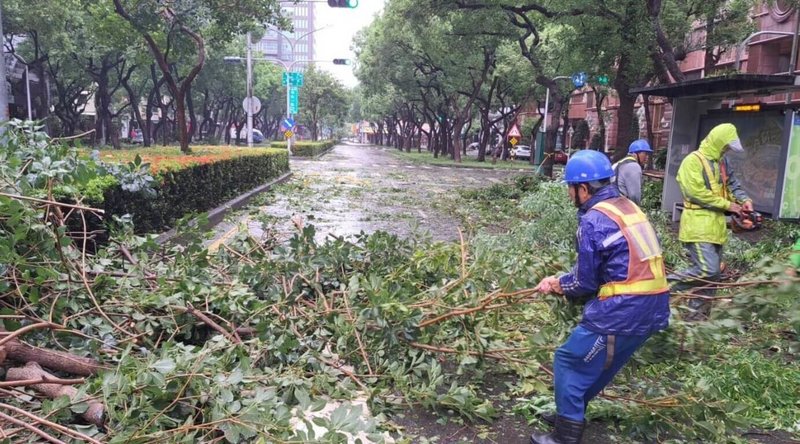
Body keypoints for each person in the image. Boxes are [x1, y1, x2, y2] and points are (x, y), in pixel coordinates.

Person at [530, 150, 671, 444]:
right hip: (654, 305)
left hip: (621, 309)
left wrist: (556, 283)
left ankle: (565, 437)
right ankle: (570, 413)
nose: (570, 195)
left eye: (571, 189)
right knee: (599, 366)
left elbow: (584, 281)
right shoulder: (627, 207)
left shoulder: (593, 220)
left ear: (583, 189)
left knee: (568, 361)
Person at [667, 123, 752, 320]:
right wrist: (730, 206)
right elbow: (696, 193)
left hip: (717, 229)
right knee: (708, 269)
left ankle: (695, 322)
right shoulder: (692, 162)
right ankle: (664, 286)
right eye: (726, 147)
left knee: (711, 279)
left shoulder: (722, 163)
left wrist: (744, 201)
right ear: (718, 143)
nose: (726, 151)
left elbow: (732, 184)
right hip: (697, 226)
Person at [612, 139, 652, 205]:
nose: (647, 157)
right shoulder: (633, 166)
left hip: (612, 203)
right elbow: (634, 195)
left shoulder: (619, 163)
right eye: (645, 153)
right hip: (622, 206)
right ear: (635, 154)